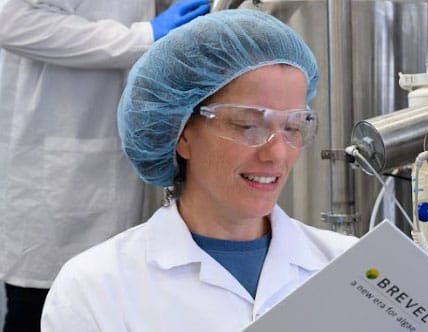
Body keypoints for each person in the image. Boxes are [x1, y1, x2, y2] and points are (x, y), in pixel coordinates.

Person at [40, 9, 358, 331]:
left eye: (293, 126)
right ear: (181, 134)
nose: (277, 153)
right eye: (247, 125)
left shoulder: (353, 267)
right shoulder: (95, 288)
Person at [0, 0, 208, 330]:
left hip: (125, 166)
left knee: (112, 305)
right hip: (58, 179)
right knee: (43, 309)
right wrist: (141, 37)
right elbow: (11, 20)